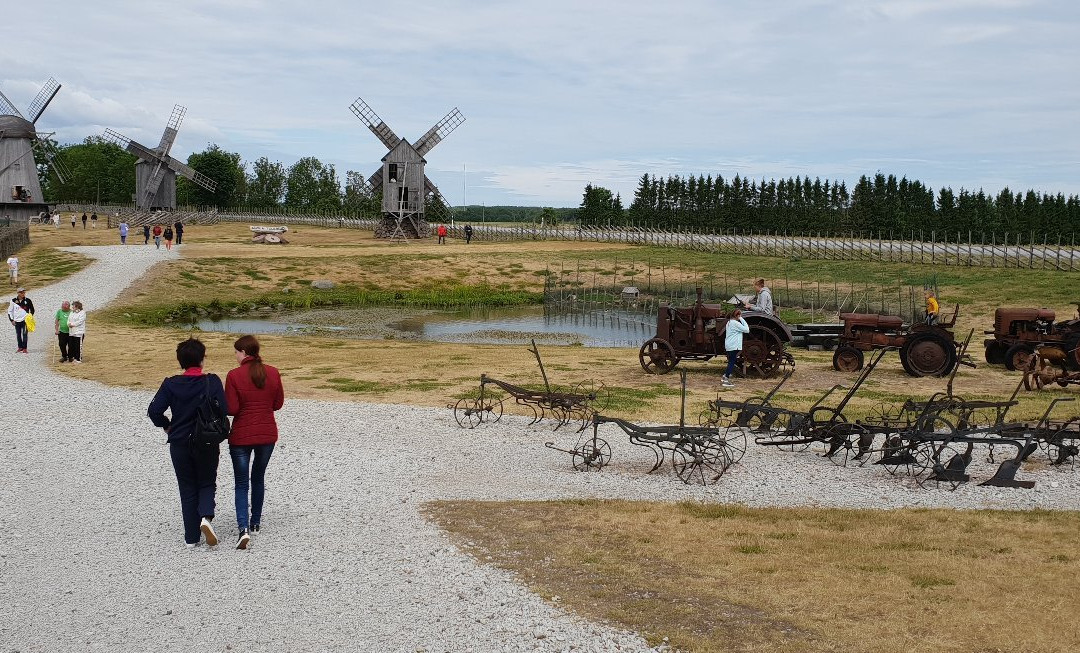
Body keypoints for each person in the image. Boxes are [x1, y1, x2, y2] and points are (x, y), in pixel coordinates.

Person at [147, 338, 227, 548]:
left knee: (187, 487)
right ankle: (206, 518)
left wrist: (166, 425)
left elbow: (154, 411)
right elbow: (224, 408)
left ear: (180, 361)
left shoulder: (171, 384)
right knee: (207, 481)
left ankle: (191, 538)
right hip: (207, 439)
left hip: (180, 442)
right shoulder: (212, 381)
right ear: (202, 359)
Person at [225, 335, 284, 550]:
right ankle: (256, 521)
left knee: (241, 483)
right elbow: (277, 404)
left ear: (243, 352)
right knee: (258, 477)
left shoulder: (234, 376)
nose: (235, 356)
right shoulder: (273, 372)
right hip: (267, 433)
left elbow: (231, 409)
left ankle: (243, 528)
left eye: (236, 352)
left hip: (241, 436)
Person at [722, 308, 749, 388]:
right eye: (739, 315)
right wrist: (741, 319)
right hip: (733, 345)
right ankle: (726, 380)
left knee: (731, 361)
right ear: (737, 315)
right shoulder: (735, 323)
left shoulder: (729, 322)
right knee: (731, 362)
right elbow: (747, 329)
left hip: (729, 345)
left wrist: (739, 317)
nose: (740, 317)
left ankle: (724, 376)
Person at [7, 287, 34, 353]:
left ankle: (25, 348)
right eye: (21, 292)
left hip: (25, 321)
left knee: (24, 334)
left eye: (24, 292)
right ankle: (20, 347)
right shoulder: (13, 301)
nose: (23, 293)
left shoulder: (28, 300)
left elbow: (32, 310)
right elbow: (9, 311)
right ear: (18, 293)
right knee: (18, 335)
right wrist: (12, 320)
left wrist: (30, 317)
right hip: (16, 321)